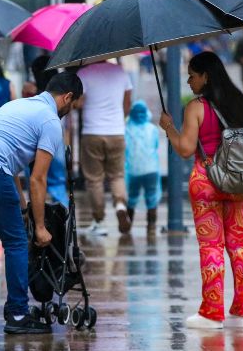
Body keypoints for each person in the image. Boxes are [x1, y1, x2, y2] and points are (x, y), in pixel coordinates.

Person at [0, 72, 83, 335]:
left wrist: (23, 209)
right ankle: (18, 315)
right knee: (17, 242)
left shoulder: (20, 105)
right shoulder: (50, 122)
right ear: (67, 97)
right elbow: (38, 179)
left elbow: (12, 165)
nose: (72, 110)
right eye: (74, 104)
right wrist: (41, 227)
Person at [158, 51, 243, 330]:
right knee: (240, 246)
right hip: (240, 183)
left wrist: (169, 128)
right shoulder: (239, 102)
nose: (188, 81)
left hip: (207, 182)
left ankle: (212, 312)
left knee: (211, 247)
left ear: (206, 76)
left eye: (192, 75)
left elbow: (184, 149)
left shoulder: (196, 107)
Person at [76, 60, 133, 236]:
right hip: (116, 131)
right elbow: (127, 102)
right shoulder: (120, 72)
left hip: (92, 131)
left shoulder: (83, 74)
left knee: (94, 179)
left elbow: (77, 103)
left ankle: (99, 220)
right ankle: (121, 205)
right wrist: (119, 120)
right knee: (117, 175)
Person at [22, 55, 67, 207]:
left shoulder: (32, 94)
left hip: (33, 140)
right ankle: (63, 219)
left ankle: (36, 220)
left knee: (34, 180)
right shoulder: (62, 95)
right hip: (55, 140)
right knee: (58, 181)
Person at [124, 101, 161, 237]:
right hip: (151, 169)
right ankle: (151, 227)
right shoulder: (152, 129)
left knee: (132, 197)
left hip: (133, 170)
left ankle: (127, 226)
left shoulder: (126, 129)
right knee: (151, 197)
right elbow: (156, 146)